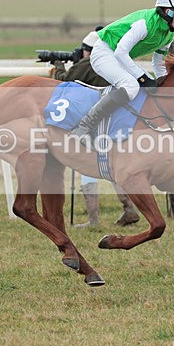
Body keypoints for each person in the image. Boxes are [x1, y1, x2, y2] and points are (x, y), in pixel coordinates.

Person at [70, 0, 174, 143]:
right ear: (168, 11)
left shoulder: (168, 34)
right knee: (132, 86)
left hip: (118, 56)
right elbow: (120, 52)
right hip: (104, 53)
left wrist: (163, 81)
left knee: (144, 87)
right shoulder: (144, 24)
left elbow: (159, 61)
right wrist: (144, 78)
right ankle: (83, 127)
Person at [51, 29, 140, 228]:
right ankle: (129, 209)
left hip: (94, 123)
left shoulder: (89, 63)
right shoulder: (116, 61)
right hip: (120, 120)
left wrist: (57, 66)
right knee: (114, 166)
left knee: (87, 167)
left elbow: (65, 82)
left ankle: (93, 220)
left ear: (88, 50)